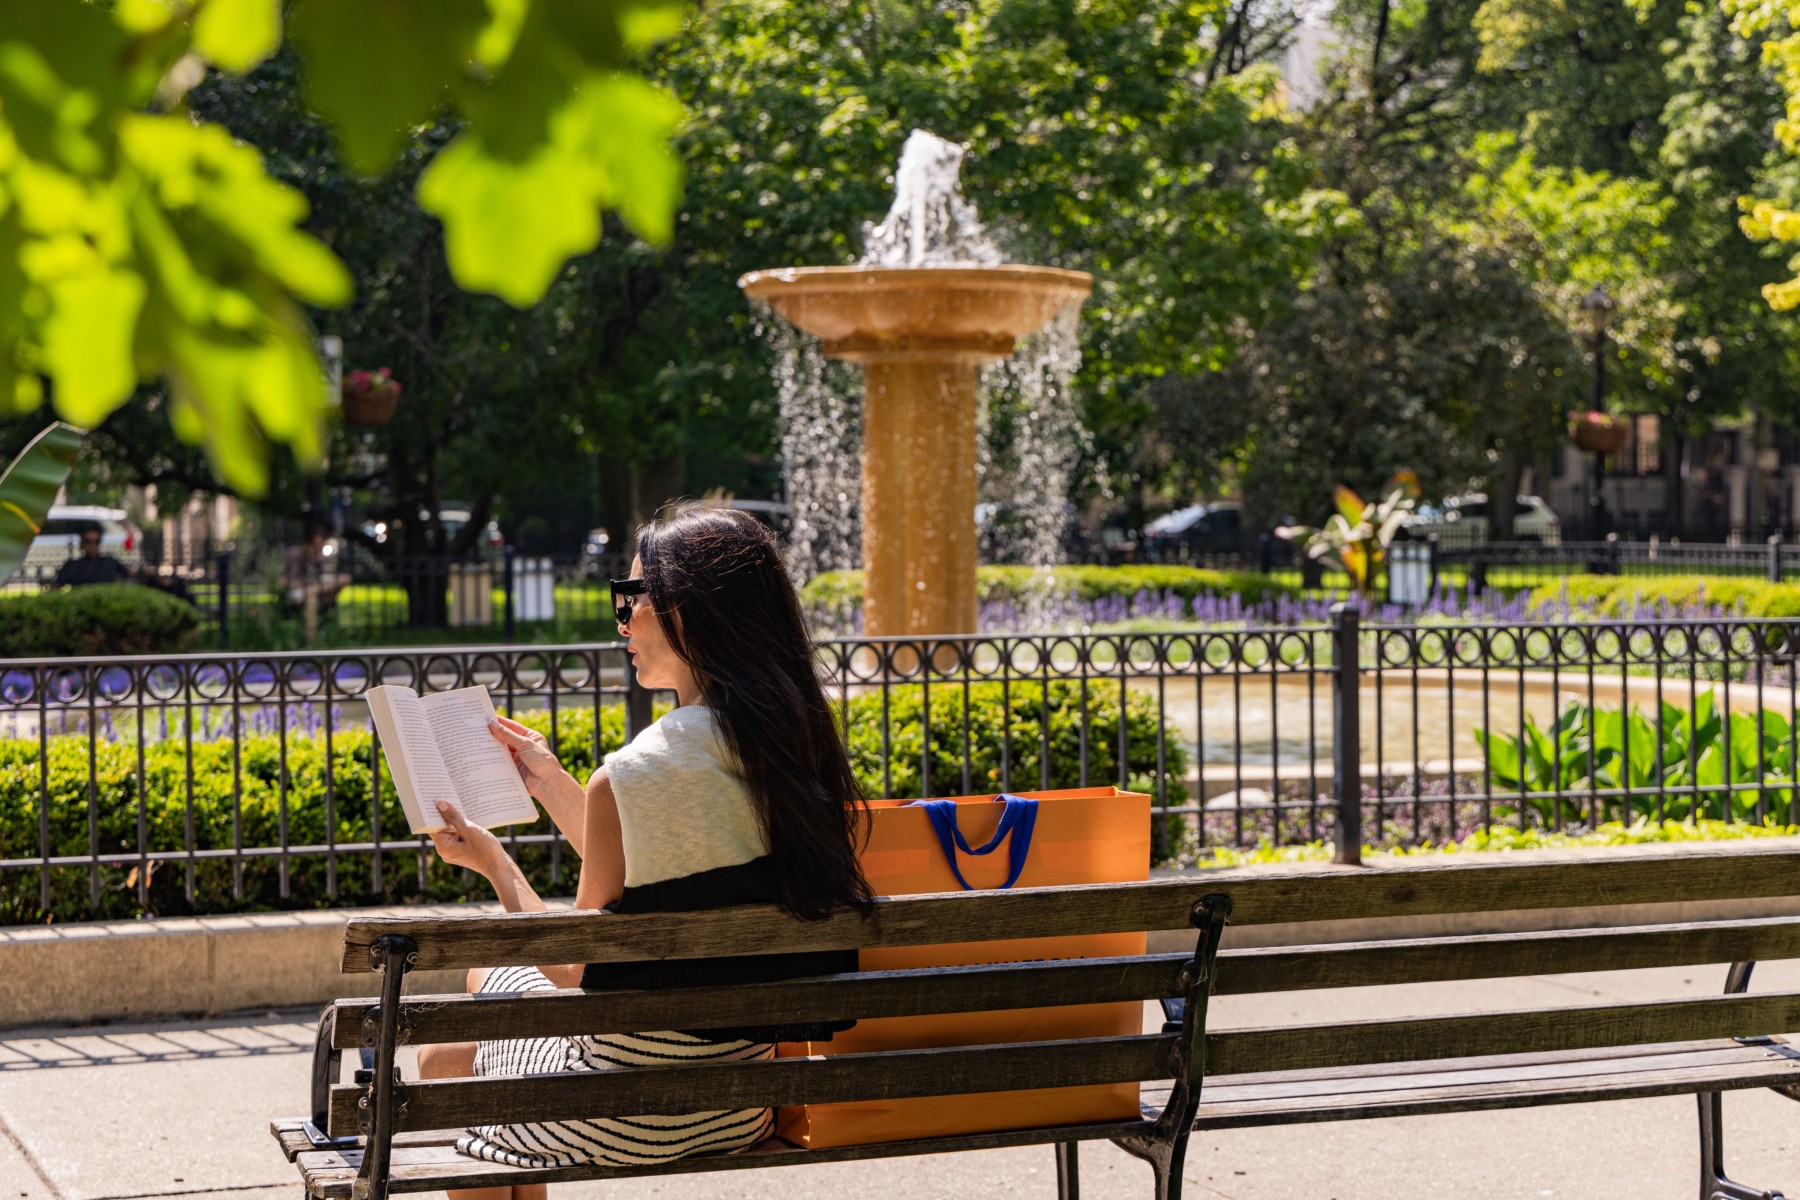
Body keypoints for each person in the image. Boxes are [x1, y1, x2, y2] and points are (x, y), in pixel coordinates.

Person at [417, 504, 871, 1200]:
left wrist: (495, 865)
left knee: (460, 1035)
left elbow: (572, 971)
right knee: (477, 1047)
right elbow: (659, 868)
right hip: (738, 1105)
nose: (622, 625)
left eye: (631, 603)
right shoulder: (793, 749)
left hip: (618, 1113)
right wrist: (551, 781)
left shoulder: (632, 774)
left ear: (688, 613)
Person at [52, 524, 130, 587]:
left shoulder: (109, 562)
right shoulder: (73, 566)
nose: (93, 546)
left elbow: (129, 575)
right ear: (82, 544)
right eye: (88, 542)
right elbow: (57, 585)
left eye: (97, 541)